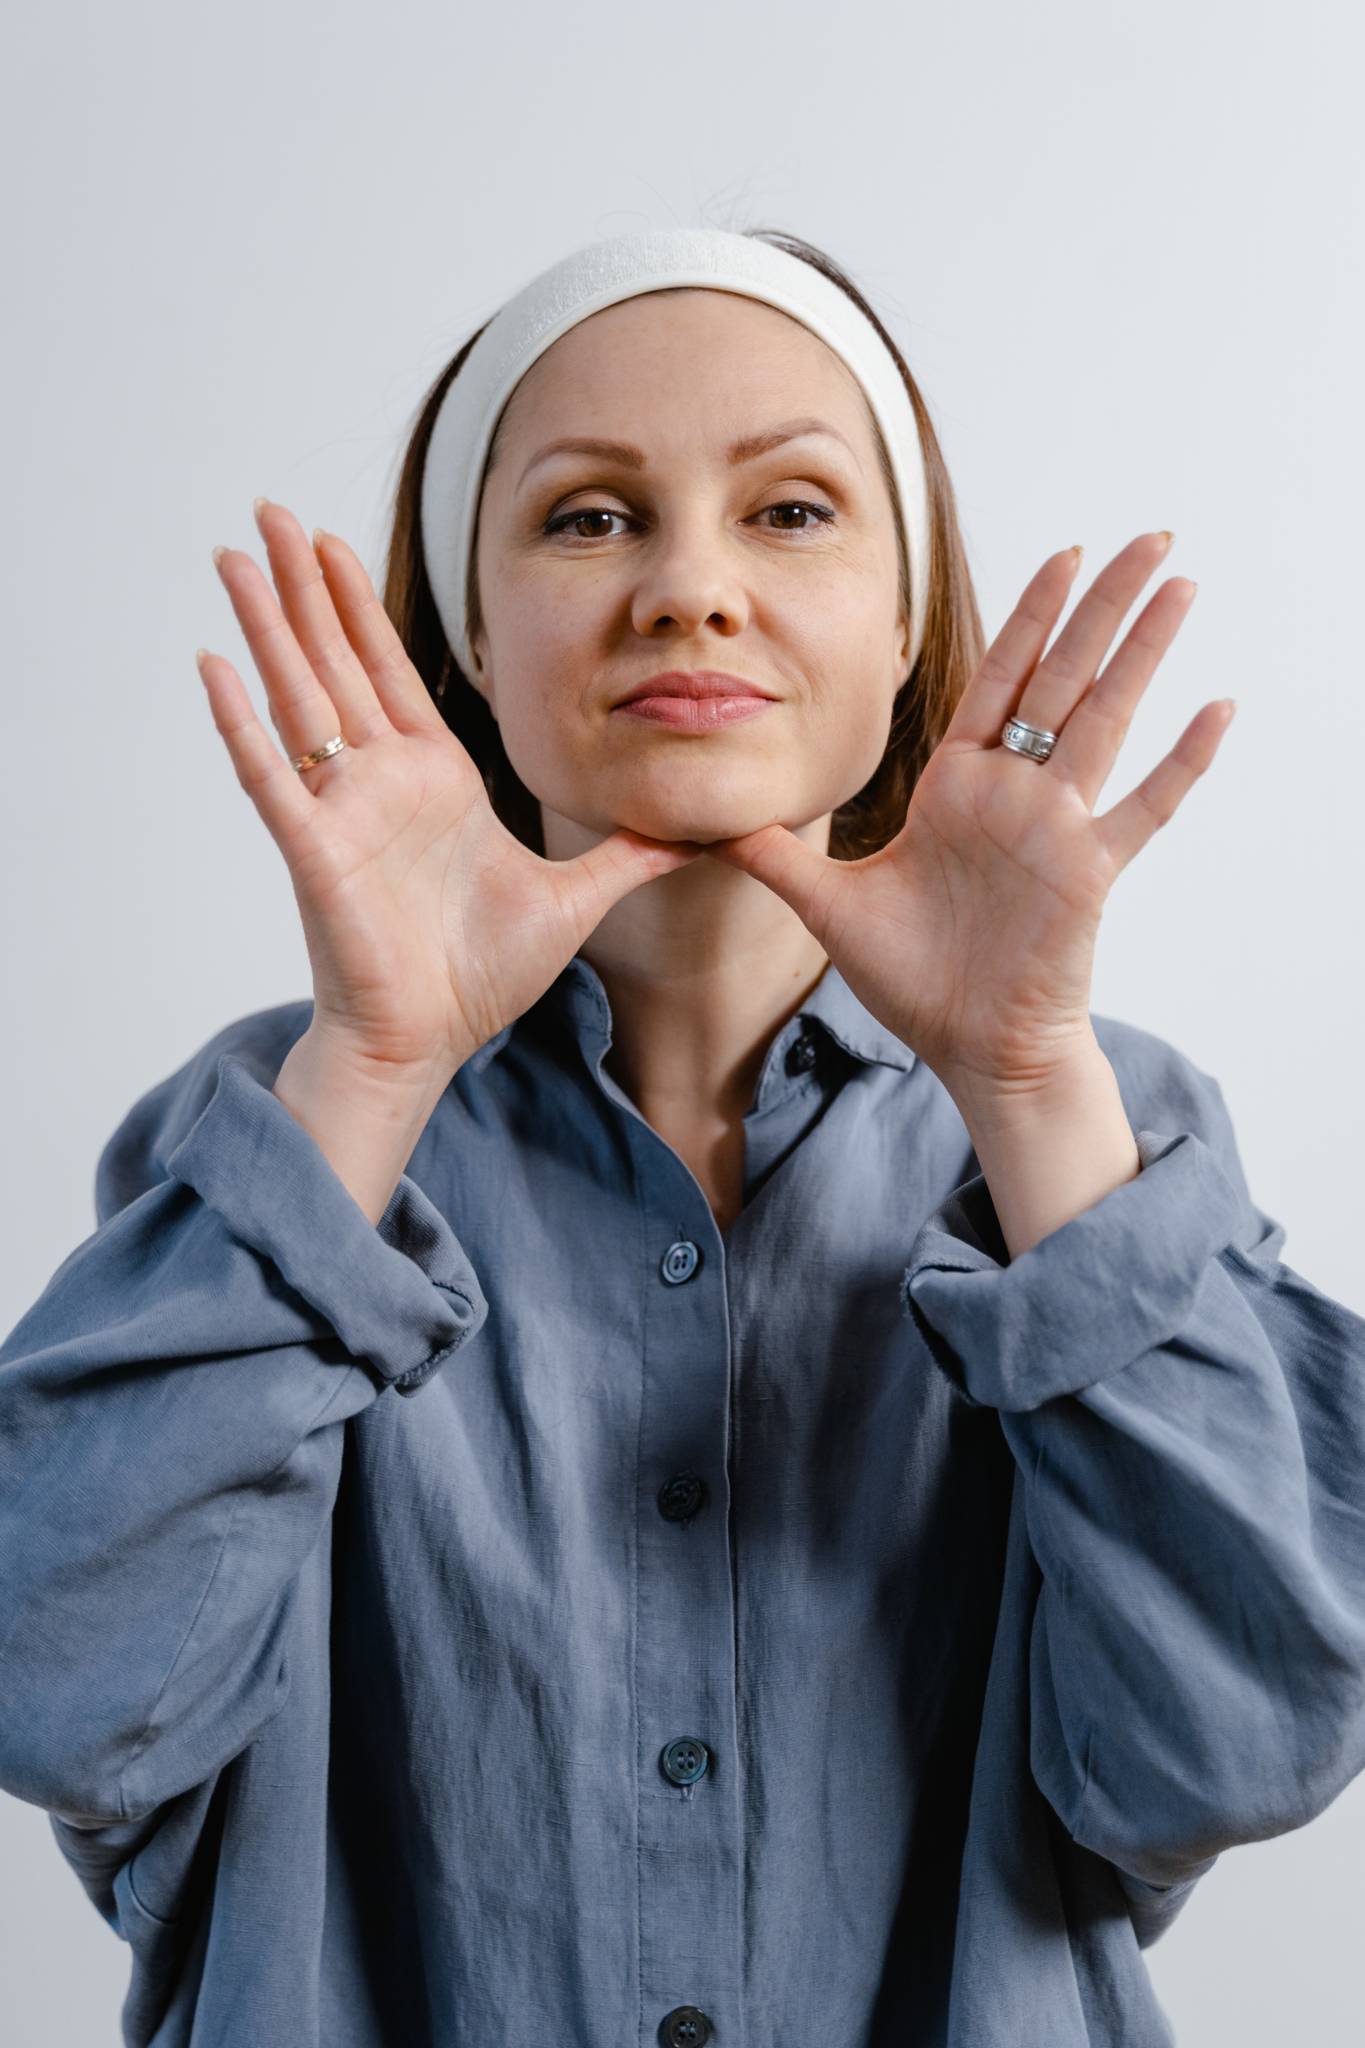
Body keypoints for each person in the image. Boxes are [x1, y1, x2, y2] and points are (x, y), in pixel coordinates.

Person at [1, 224, 1363, 2048]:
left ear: (902, 625)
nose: (688, 591)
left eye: (792, 511)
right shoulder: (282, 1124)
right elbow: (59, 1692)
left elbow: (1233, 1750)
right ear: (472, 632)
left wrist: (1027, 1077)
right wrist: (377, 1059)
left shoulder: (1107, 1133)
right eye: (586, 518)